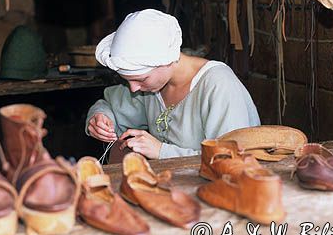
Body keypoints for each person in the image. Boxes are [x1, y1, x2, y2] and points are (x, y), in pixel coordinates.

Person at [85, 9, 260, 160]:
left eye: (141, 79)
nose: (133, 88)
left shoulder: (219, 86)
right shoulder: (150, 87)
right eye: (127, 80)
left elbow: (230, 157)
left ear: (166, 61)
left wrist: (162, 151)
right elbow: (109, 106)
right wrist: (100, 117)